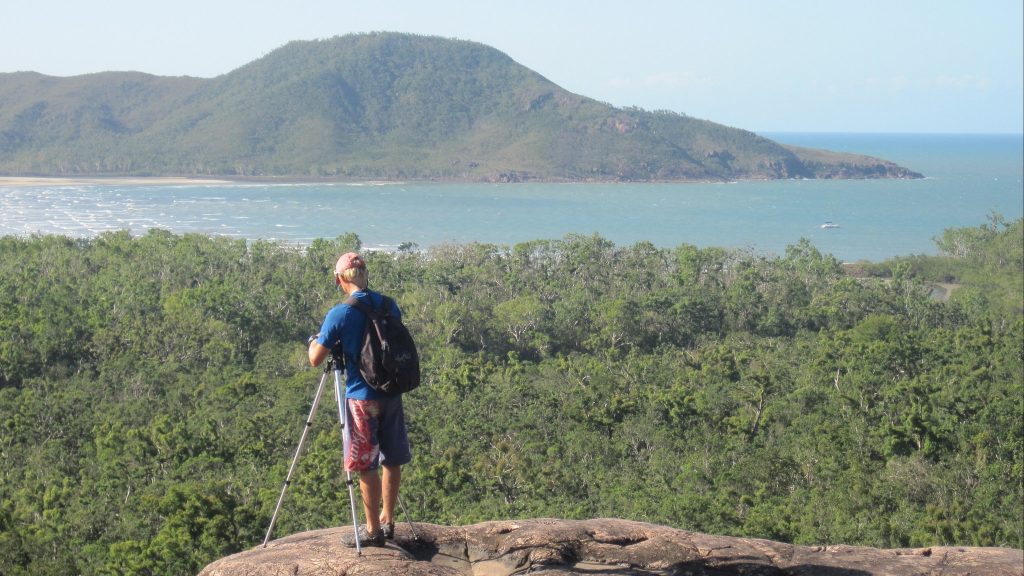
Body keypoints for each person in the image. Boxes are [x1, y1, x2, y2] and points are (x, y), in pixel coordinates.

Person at [308, 252, 412, 547]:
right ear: (366, 274)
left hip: (361, 397)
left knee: (366, 463)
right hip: (391, 392)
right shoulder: (389, 305)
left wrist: (314, 342)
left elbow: (316, 358)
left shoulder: (340, 314)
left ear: (340, 280)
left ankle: (372, 532)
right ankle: (388, 519)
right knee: (391, 458)